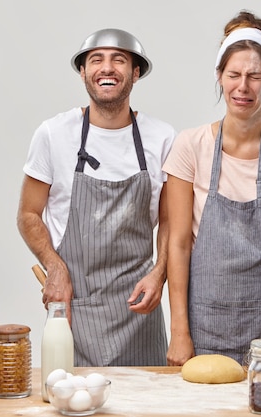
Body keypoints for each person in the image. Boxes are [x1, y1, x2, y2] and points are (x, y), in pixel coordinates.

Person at [164, 11, 261, 366]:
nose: (243, 87)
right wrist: (179, 332)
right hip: (205, 326)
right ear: (219, 77)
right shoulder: (190, 146)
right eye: (233, 75)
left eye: (255, 76)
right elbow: (178, 242)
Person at [17, 28, 176, 366]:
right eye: (96, 60)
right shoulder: (53, 134)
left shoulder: (161, 138)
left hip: (139, 313)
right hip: (76, 310)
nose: (107, 68)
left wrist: (159, 273)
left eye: (119, 60)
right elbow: (28, 214)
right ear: (83, 72)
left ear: (135, 73)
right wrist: (55, 266)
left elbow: (171, 223)